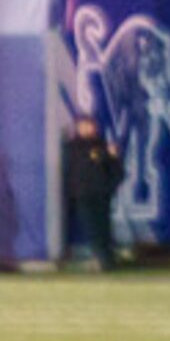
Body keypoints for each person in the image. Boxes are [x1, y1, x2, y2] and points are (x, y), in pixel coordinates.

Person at [63, 114, 123, 266]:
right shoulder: (72, 147)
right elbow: (71, 170)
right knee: (92, 229)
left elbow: (117, 171)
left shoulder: (102, 146)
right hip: (82, 195)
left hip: (101, 195)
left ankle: (107, 259)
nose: (86, 128)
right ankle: (103, 259)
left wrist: (109, 187)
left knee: (103, 228)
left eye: (89, 125)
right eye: (83, 125)